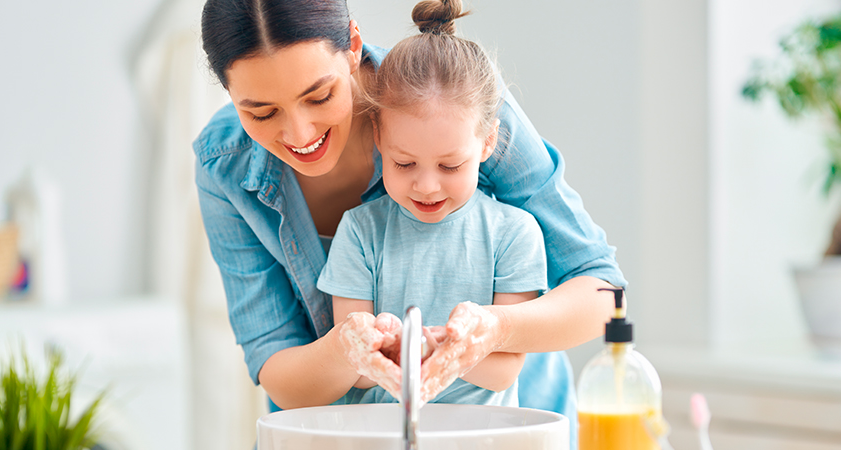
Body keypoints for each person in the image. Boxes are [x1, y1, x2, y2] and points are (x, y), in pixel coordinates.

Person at [194, 0, 627, 446]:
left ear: (353, 47)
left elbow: (602, 291)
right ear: (228, 93)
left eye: (319, 95)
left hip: (506, 426)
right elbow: (275, 363)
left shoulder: (453, 95)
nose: (301, 134)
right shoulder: (223, 164)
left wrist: (496, 330)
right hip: (344, 433)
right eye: (261, 113)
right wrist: (346, 351)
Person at [317, 2, 547, 408]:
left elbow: (503, 372)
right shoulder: (360, 232)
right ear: (378, 138)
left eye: (450, 165)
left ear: (488, 142)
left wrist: (428, 347)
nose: (426, 185)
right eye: (403, 163)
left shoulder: (514, 234)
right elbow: (355, 362)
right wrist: (387, 344)